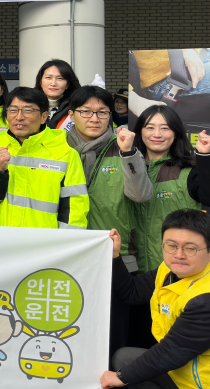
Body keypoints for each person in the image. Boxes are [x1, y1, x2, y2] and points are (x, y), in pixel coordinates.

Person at [64, 85, 152, 357]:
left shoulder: (123, 147)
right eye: (86, 112)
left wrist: (128, 154)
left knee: (112, 334)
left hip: (115, 257)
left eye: (102, 112)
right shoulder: (56, 148)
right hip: (67, 253)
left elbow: (141, 195)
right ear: (72, 115)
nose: (95, 118)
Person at [101, 210, 210, 389]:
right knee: (123, 358)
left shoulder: (204, 299)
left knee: (126, 374)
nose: (179, 254)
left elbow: (173, 351)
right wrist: (114, 256)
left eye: (190, 248)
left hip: (197, 383)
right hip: (180, 370)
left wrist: (121, 377)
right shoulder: (167, 270)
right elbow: (132, 291)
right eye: (171, 246)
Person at [0, 87, 88, 228]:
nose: (19, 117)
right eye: (13, 110)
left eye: (28, 110)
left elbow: (74, 209)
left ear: (44, 117)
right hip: (2, 236)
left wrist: (67, 241)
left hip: (44, 239)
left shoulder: (64, 153)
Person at [130, 105, 203, 274]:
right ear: (140, 131)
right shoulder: (127, 169)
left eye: (165, 128)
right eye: (150, 127)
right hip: (133, 272)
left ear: (175, 133)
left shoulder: (190, 171)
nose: (157, 134)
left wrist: (205, 158)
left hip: (178, 273)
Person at [34, 59, 81, 129]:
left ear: (67, 84)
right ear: (40, 82)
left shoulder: (77, 107)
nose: (53, 83)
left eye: (60, 78)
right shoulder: (30, 105)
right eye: (48, 77)